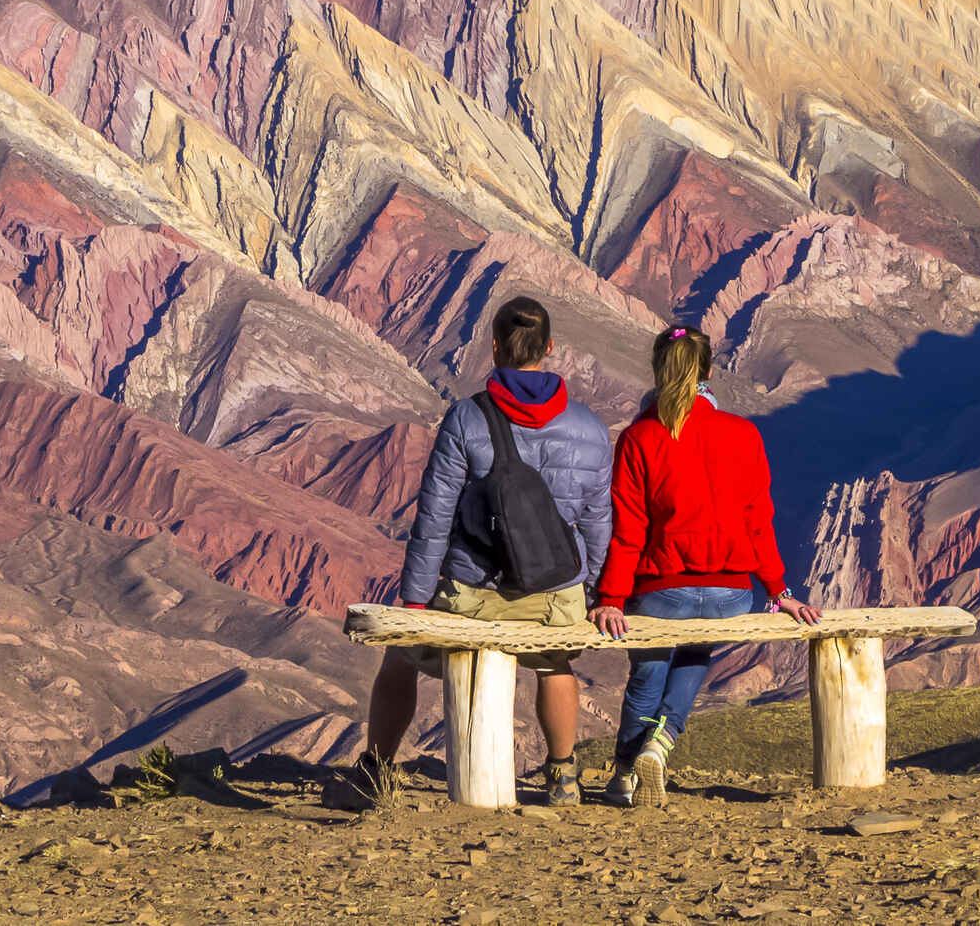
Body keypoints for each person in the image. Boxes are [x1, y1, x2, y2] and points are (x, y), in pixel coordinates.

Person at [324, 295, 613, 809]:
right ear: (549, 349)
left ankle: (376, 770)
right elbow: (595, 522)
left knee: (399, 658)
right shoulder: (590, 428)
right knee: (555, 666)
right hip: (554, 599)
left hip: (472, 595)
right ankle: (563, 776)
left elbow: (433, 520)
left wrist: (414, 606)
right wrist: (592, 592)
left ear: (495, 347)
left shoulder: (466, 420)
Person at [590, 325, 820, 809]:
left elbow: (629, 530)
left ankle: (625, 774)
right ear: (709, 371)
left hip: (663, 588)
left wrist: (610, 598)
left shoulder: (639, 437)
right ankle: (663, 740)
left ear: (657, 370)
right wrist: (779, 592)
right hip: (732, 592)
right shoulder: (743, 434)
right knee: (695, 652)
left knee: (648, 675)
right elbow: (759, 521)